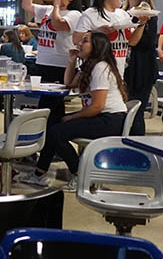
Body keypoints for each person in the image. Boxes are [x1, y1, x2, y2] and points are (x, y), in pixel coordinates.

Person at [25, 32, 130, 190]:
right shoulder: (89, 66)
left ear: (96, 47)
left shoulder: (101, 68)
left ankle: (80, 174)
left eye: (85, 41)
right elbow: (68, 83)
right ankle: (40, 173)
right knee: (53, 124)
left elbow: (98, 106)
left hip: (109, 119)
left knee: (56, 132)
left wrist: (73, 117)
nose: (80, 43)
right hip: (101, 116)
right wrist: (71, 60)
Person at [22, 0, 84, 123]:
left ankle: (53, 139)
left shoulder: (74, 14)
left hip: (60, 65)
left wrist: (56, 6)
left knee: (53, 105)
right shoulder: (49, 10)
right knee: (44, 103)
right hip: (43, 62)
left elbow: (58, 24)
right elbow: (27, 5)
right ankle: (46, 139)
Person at [74, 0, 150, 76]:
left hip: (119, 72)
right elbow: (76, 40)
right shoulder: (91, 14)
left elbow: (132, 41)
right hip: (97, 73)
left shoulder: (123, 14)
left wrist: (142, 23)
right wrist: (97, 32)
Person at [123, 0, 159, 136]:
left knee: (135, 113)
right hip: (123, 68)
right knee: (122, 112)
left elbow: (146, 43)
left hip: (141, 70)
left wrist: (139, 25)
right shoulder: (121, 12)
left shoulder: (148, 14)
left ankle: (137, 151)